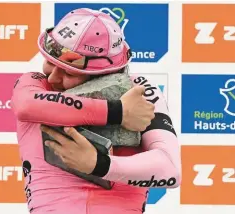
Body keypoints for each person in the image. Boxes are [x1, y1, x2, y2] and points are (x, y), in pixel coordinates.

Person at [11, 8, 181, 214]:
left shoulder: (140, 90)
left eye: (69, 71)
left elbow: (170, 170)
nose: (53, 78)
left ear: (105, 74)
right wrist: (117, 112)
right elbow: (26, 106)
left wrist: (99, 165)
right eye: (49, 62)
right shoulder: (35, 84)